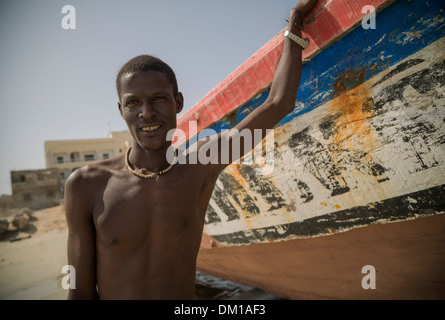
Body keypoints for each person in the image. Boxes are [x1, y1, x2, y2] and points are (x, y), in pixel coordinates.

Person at [65, 0, 319, 300]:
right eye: (134, 102)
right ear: (121, 110)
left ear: (179, 102)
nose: (146, 112)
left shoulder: (199, 165)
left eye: (159, 99)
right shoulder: (86, 184)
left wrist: (295, 20)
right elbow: (80, 293)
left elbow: (279, 103)